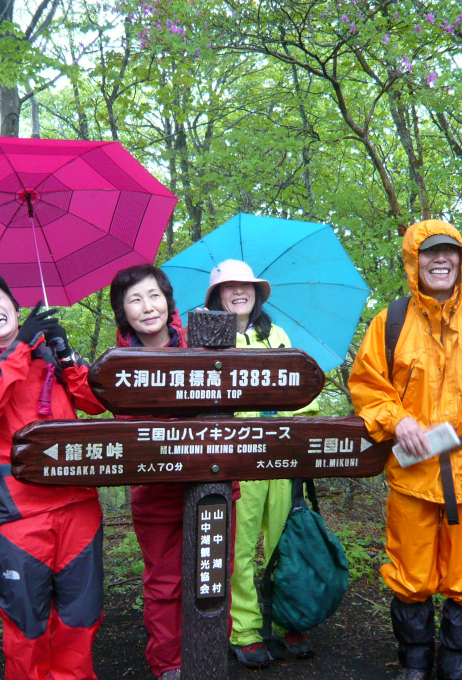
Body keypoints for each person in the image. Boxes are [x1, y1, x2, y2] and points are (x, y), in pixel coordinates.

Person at [348, 220, 462, 680]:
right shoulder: (389, 322)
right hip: (413, 474)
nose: (440, 260)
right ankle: (414, 666)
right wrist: (399, 419)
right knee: (410, 578)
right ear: (413, 261)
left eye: (449, 252)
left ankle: (456, 669)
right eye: (430, 252)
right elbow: (367, 388)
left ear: (460, 260)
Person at [0, 269, 107, 680]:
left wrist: (66, 355)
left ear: (16, 306)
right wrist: (18, 347)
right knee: (26, 627)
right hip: (19, 518)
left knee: (80, 620)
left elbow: (94, 404)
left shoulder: (49, 354)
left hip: (79, 507)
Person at [205, 259, 319, 669]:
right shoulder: (209, 341)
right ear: (217, 296)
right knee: (236, 549)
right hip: (236, 463)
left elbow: (305, 390)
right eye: (229, 287)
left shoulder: (277, 334)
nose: (239, 293)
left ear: (257, 293)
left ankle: (291, 621)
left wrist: (299, 432)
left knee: (285, 544)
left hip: (282, 458)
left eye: (246, 287)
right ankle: (247, 631)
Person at [109, 264, 187, 680]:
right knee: (164, 583)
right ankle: (168, 663)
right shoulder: (118, 364)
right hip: (154, 492)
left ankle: (208, 655)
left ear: (167, 299)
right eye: (135, 299)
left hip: (211, 488)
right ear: (124, 312)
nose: (147, 306)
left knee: (214, 577)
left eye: (154, 295)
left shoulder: (202, 344)